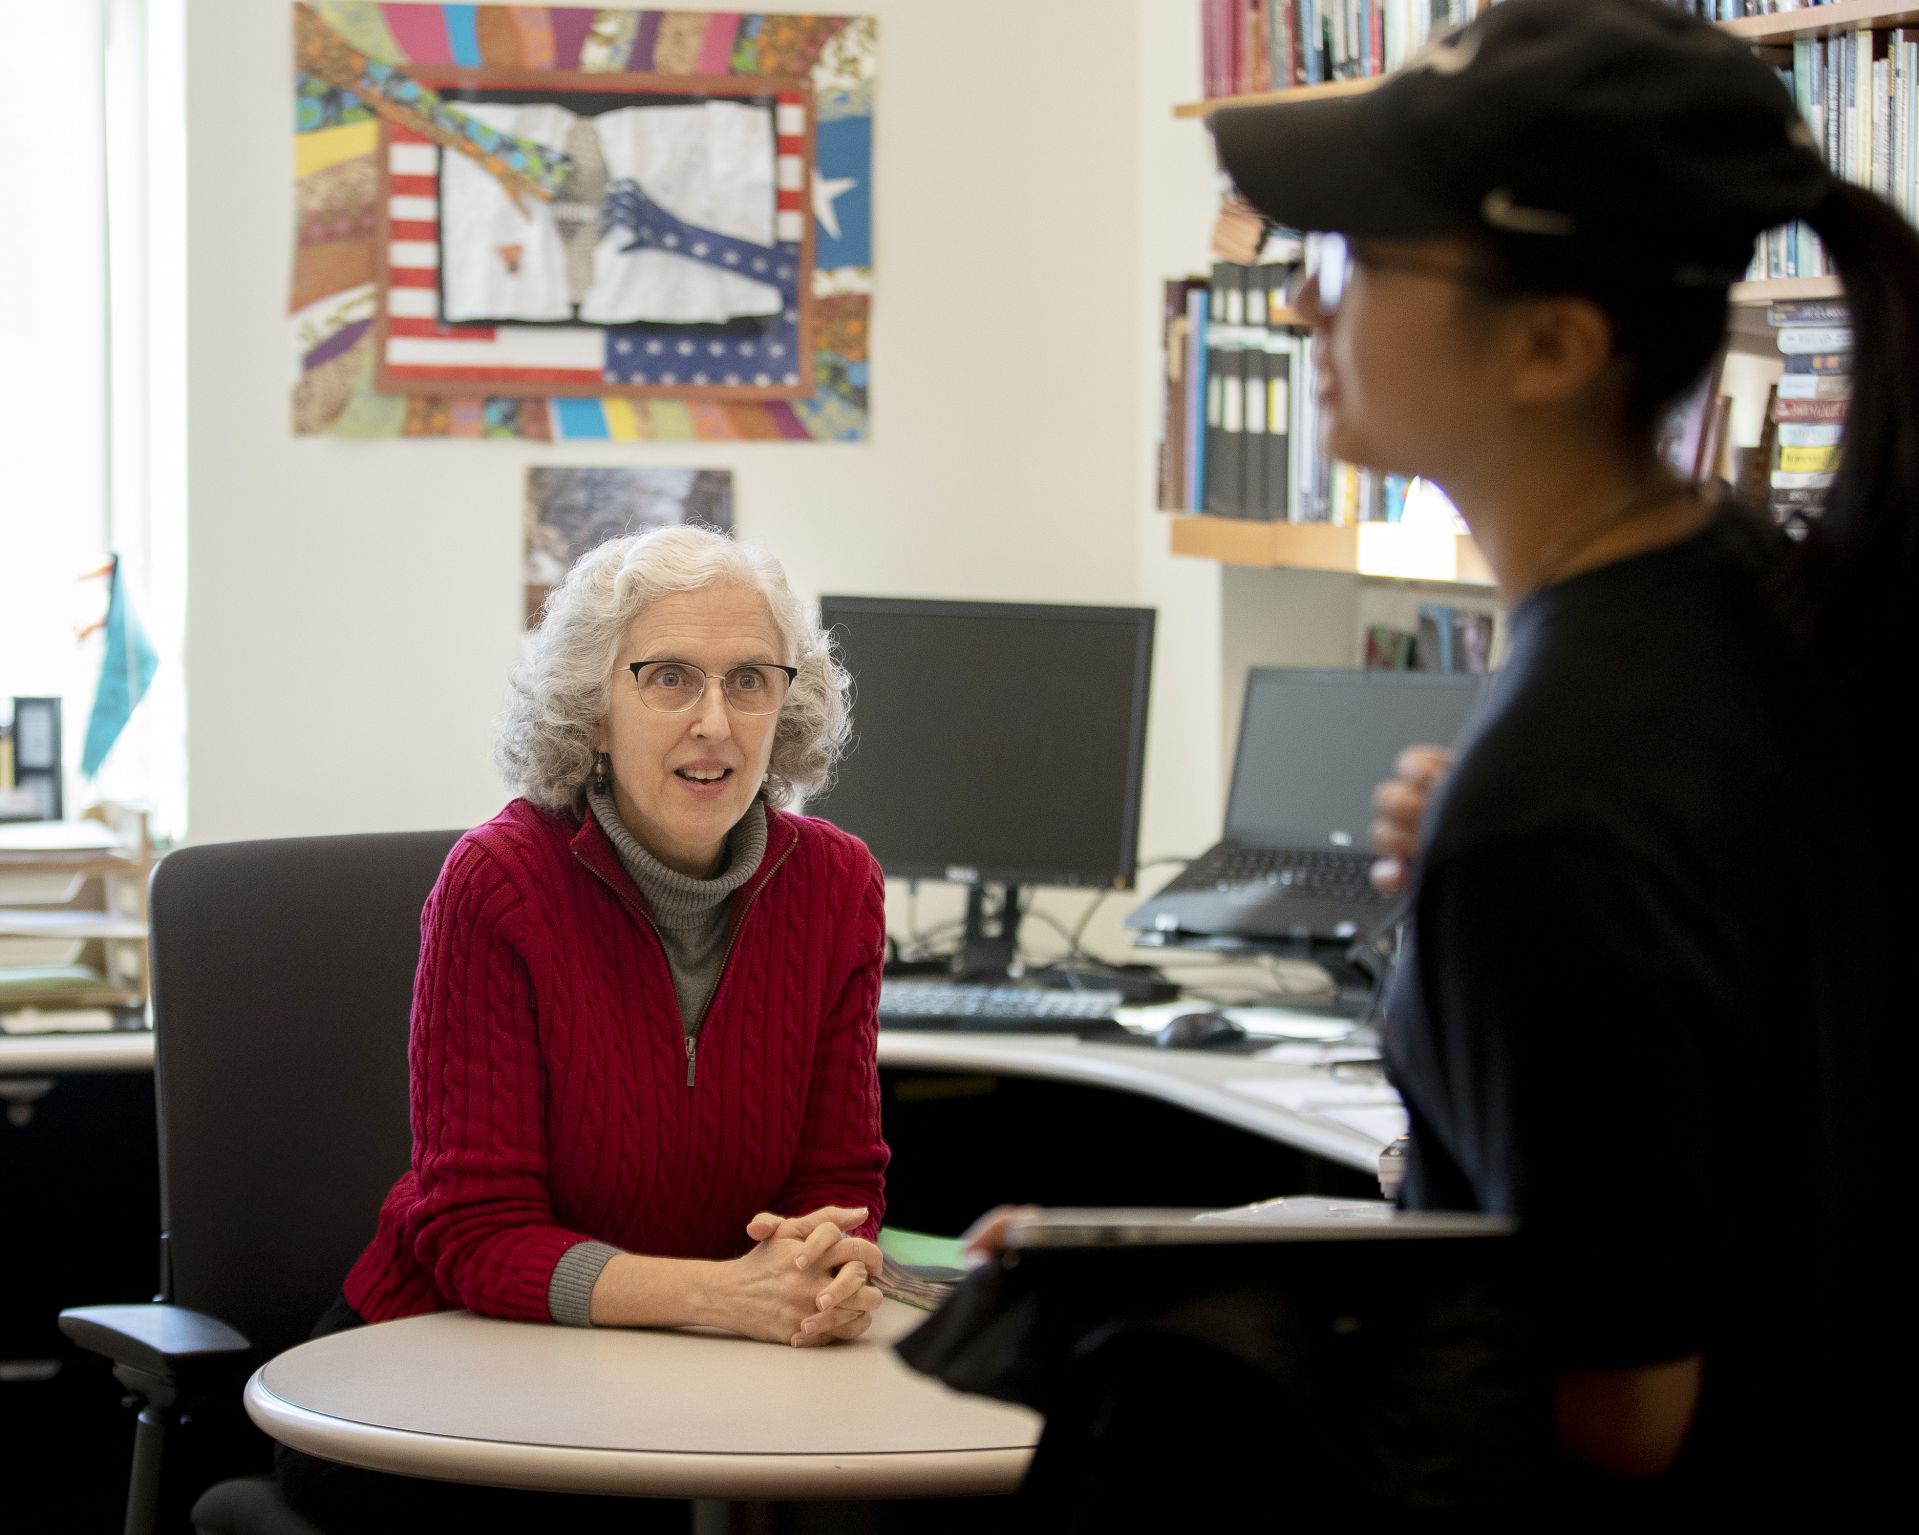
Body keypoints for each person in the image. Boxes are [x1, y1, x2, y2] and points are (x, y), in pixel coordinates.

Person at [946, 0, 1906, 1516]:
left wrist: (1191, 1307)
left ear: (1548, 345)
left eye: (1354, 256)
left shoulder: (1551, 796)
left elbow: (1619, 1406)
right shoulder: (1759, 606)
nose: (1298, 308)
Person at [278, 525, 890, 1529]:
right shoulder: (499, 882)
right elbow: (475, 1233)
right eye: (666, 677)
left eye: (748, 680)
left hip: (685, 1375)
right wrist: (723, 1295)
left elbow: (839, 1177)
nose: (714, 722)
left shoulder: (836, 885)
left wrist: (824, 1269)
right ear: (592, 710)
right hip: (447, 1375)